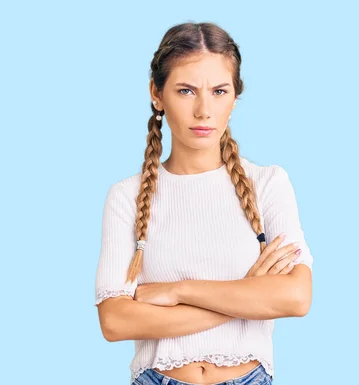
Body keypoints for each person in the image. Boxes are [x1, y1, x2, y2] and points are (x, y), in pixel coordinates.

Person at [94, 22, 314, 385]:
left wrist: (179, 291)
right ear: (157, 94)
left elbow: (295, 297)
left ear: (235, 96)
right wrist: (246, 293)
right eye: (185, 90)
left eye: (219, 91)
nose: (204, 110)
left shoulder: (268, 184)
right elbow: (116, 321)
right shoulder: (126, 197)